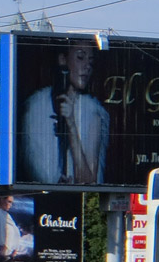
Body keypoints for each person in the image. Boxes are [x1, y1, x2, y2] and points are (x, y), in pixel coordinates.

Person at [19, 43, 110, 184]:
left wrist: (71, 125)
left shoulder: (93, 113)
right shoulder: (37, 106)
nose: (87, 66)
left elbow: (88, 180)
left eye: (91, 62)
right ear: (63, 59)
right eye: (80, 58)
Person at [0, 196, 19, 262]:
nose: (10, 205)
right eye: (9, 201)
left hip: (7, 255)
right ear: (2, 199)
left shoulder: (6, 215)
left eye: (12, 203)